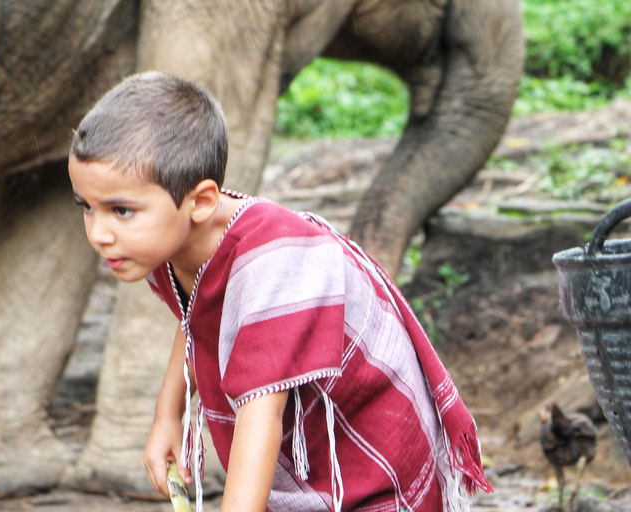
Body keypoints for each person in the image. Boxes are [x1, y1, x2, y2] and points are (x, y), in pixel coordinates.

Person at [68, 71, 491, 512]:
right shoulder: (164, 238)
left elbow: (261, 420)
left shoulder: (274, 269)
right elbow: (194, 317)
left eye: (121, 210)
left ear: (202, 201)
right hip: (309, 443)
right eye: (87, 207)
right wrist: (167, 416)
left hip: (373, 448)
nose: (99, 233)